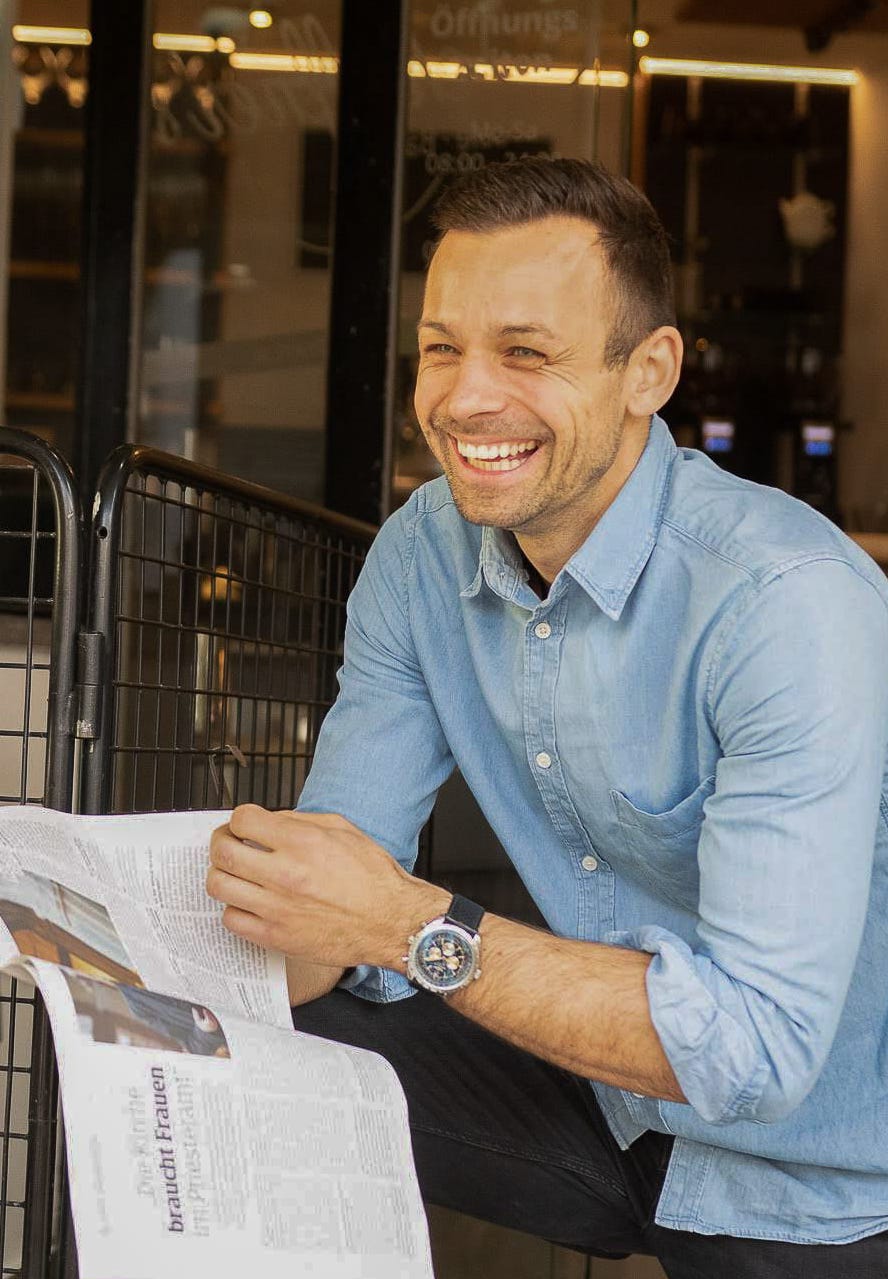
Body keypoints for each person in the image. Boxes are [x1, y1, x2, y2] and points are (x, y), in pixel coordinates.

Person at [206, 158, 888, 1277]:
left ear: (649, 372)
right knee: (229, 1044)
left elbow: (757, 1052)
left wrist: (401, 923)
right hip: (602, 1106)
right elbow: (338, 897)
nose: (468, 398)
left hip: (816, 1176)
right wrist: (174, 963)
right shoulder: (422, 555)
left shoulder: (783, 604)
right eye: (443, 348)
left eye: (527, 353)